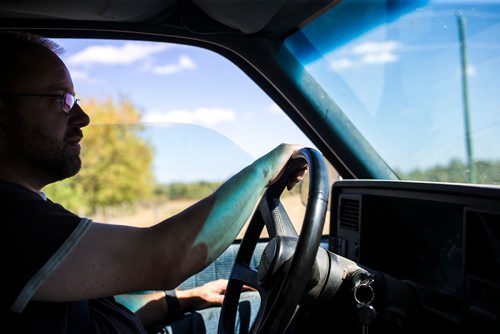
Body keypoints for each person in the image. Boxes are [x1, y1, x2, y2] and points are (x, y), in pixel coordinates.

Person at [1, 31, 306, 333]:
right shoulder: (11, 218)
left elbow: (83, 304)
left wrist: (182, 300)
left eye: (74, 99)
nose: (83, 117)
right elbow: (165, 258)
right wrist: (264, 172)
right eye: (61, 99)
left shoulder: (31, 209)